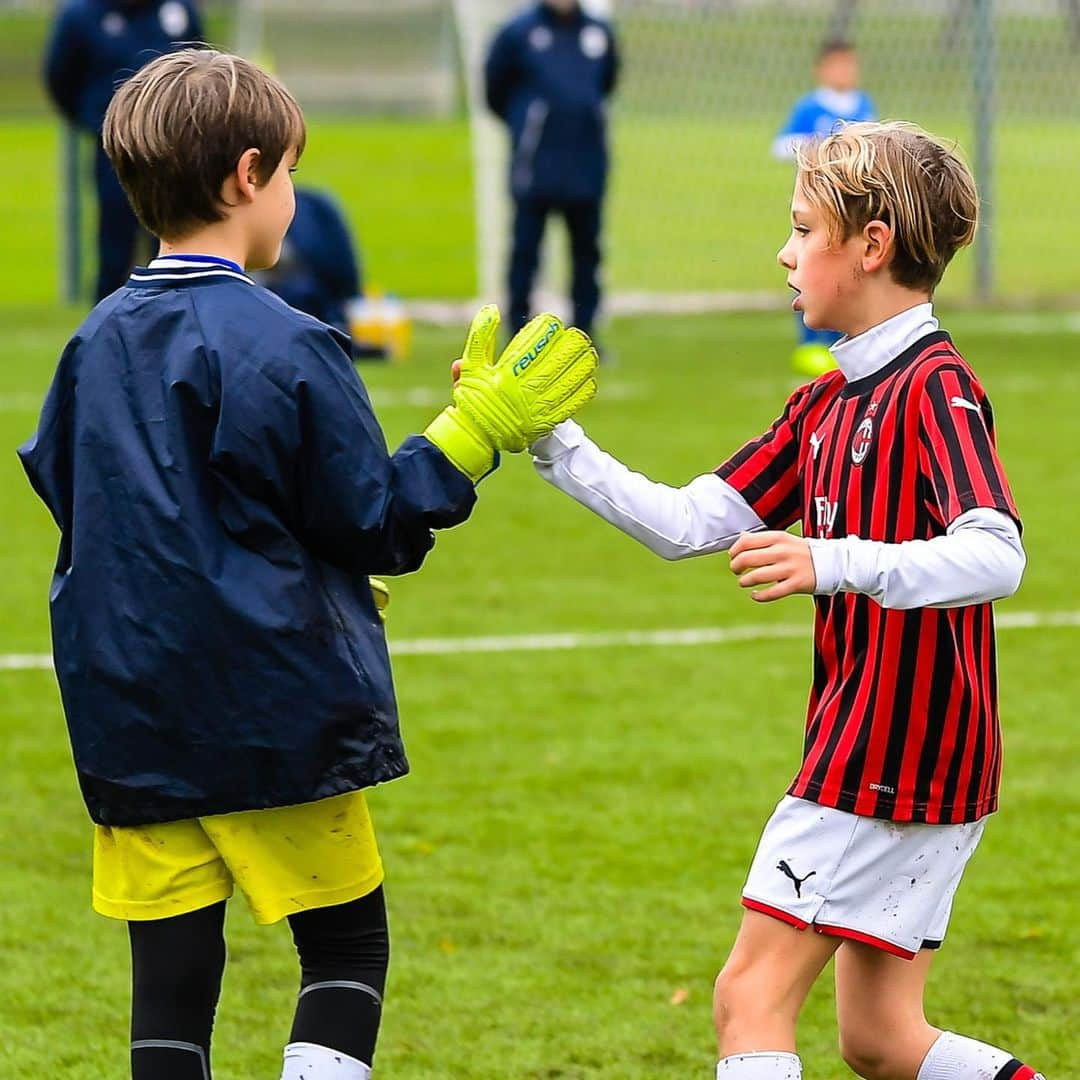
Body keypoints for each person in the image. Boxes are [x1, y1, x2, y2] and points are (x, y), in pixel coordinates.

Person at [18, 48, 597, 1080]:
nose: (293, 194)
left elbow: (75, 491)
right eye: (288, 173)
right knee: (343, 947)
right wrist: (472, 432)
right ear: (248, 177)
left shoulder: (92, 342)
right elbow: (370, 519)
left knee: (170, 990)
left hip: (130, 709)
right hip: (271, 704)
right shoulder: (288, 342)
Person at [529, 121, 1044, 1080]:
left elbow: (995, 552)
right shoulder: (826, 402)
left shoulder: (935, 387)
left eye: (804, 229)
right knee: (882, 1041)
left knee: (749, 997)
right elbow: (686, 522)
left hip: (890, 744)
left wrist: (834, 560)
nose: (785, 252)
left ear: (873, 245)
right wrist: (554, 443)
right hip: (915, 749)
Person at [44, 0, 205, 302]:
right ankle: (107, 334)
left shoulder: (178, 10)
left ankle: (179, 326)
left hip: (177, 152)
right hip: (114, 155)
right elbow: (60, 77)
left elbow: (201, 67)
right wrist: (96, 122)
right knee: (114, 248)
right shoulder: (82, 14)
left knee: (179, 242)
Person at [485, 0, 619, 341]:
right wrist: (528, 124)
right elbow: (494, 90)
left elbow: (607, 81)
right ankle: (517, 332)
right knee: (525, 253)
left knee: (587, 254)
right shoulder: (518, 33)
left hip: (586, 166)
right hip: (537, 167)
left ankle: (585, 334)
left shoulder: (597, 32)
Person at [772, 39, 876, 381]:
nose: (844, 73)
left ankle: (842, 336)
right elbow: (781, 145)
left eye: (850, 65)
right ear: (822, 69)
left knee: (847, 267)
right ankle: (809, 341)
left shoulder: (863, 105)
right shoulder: (809, 107)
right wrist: (819, 148)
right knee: (810, 265)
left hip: (852, 207)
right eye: (837, 65)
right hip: (818, 206)